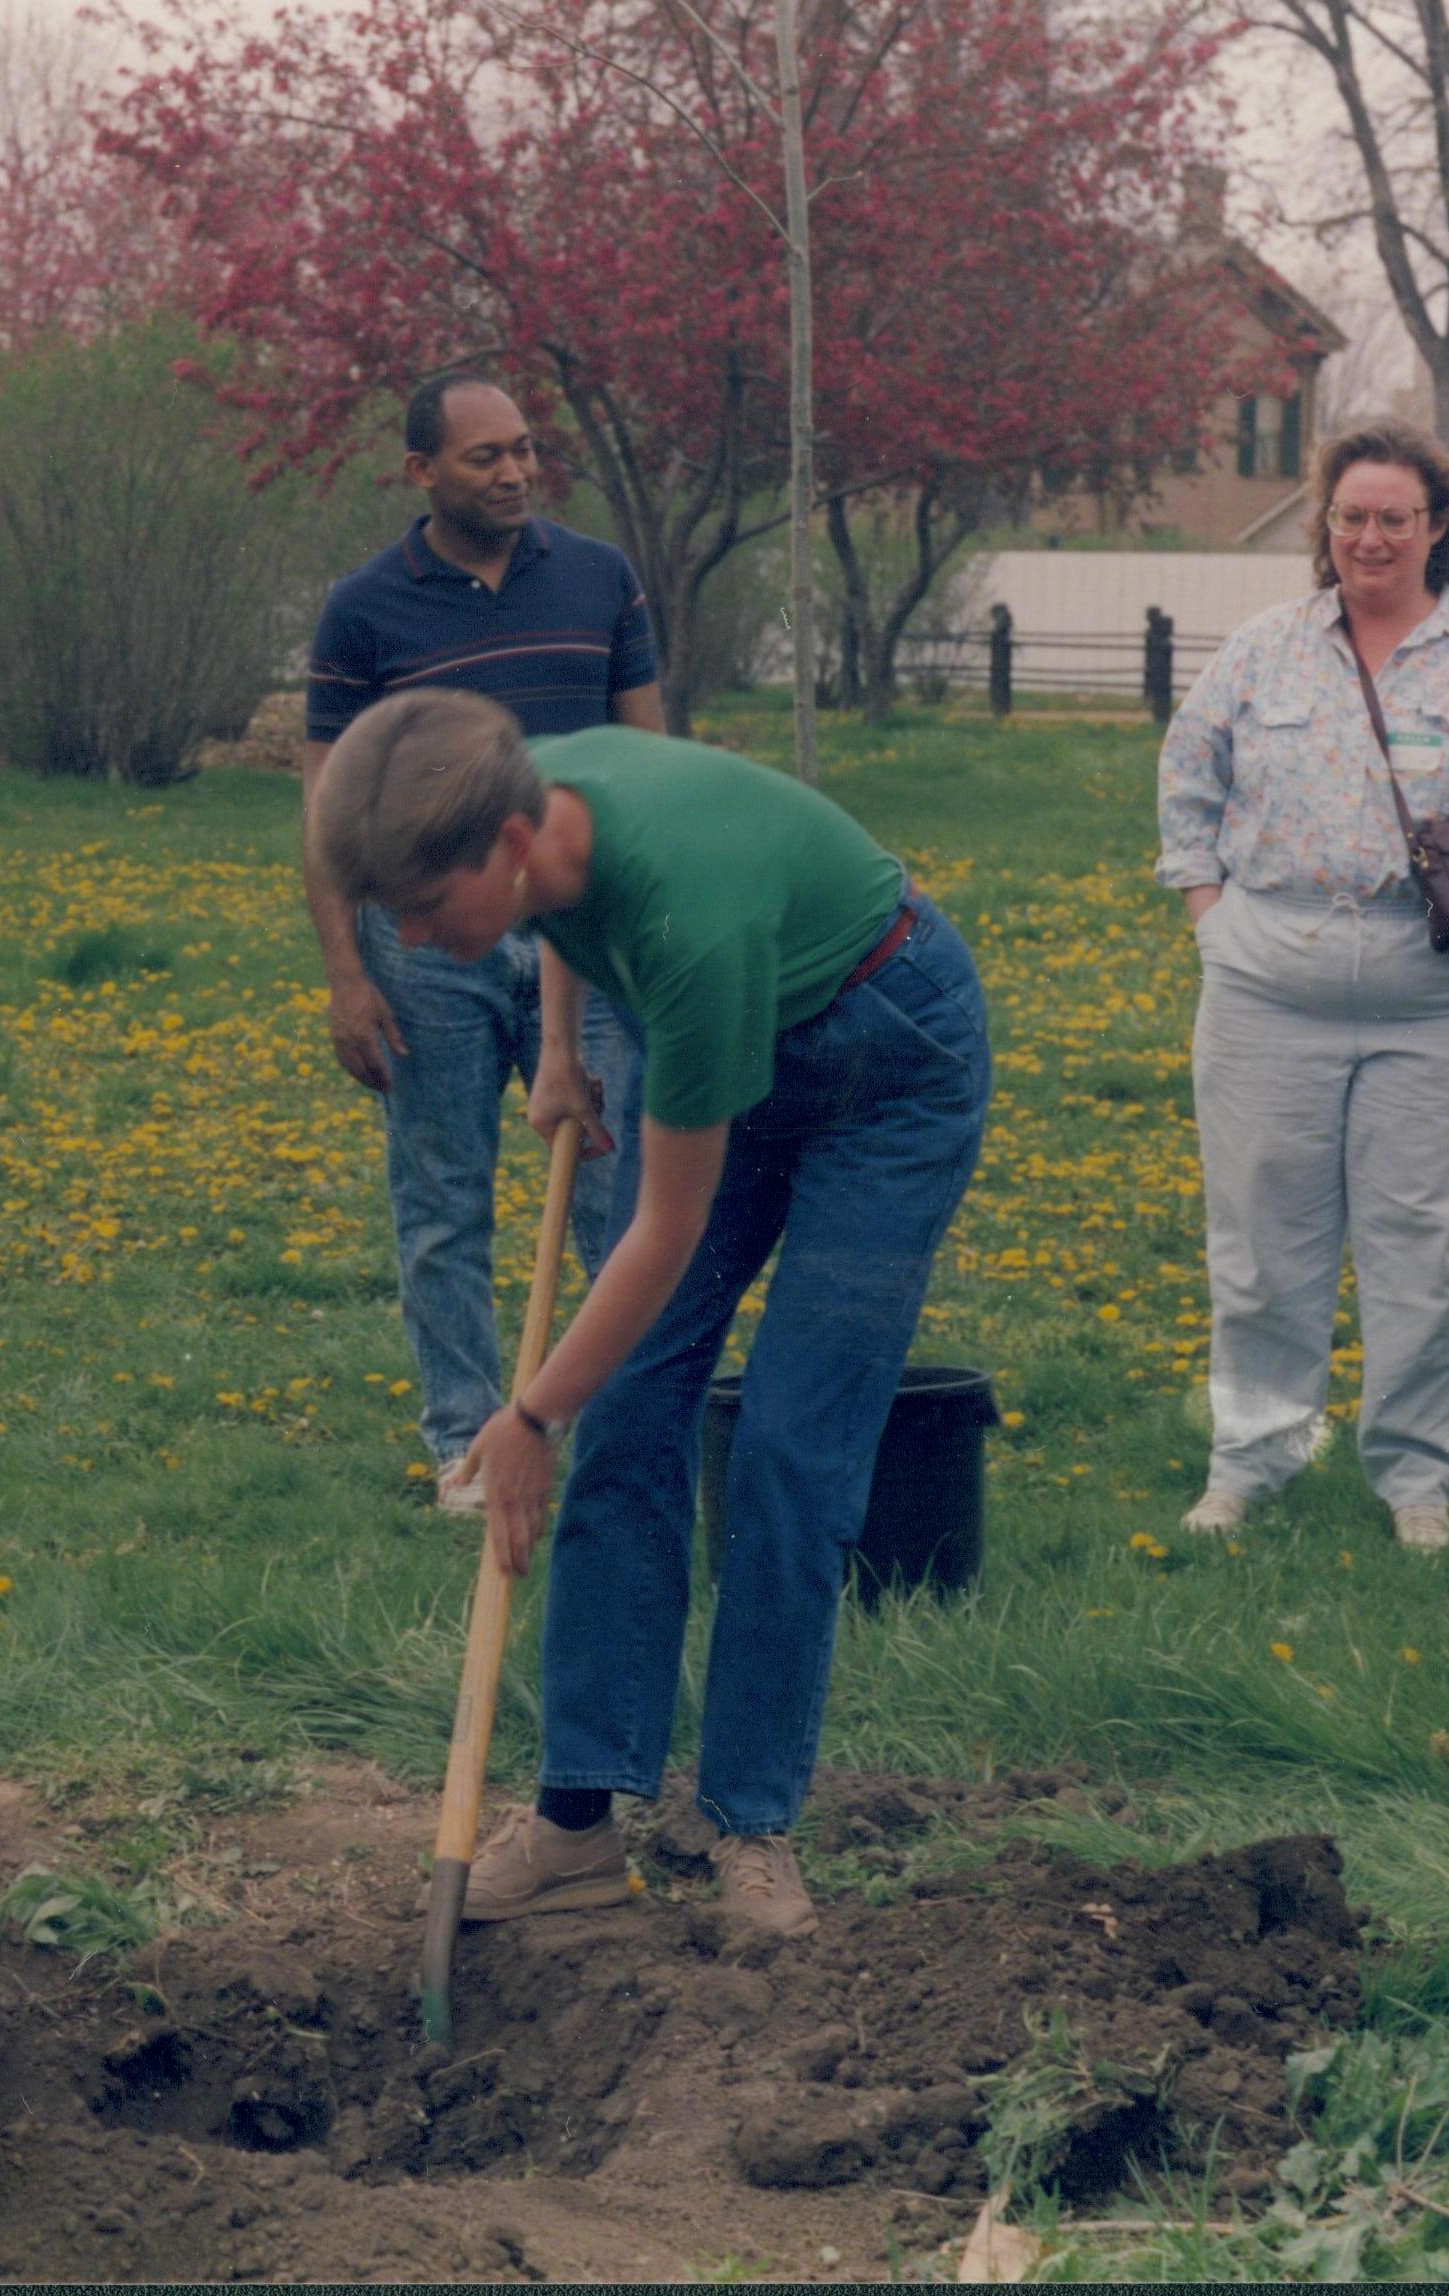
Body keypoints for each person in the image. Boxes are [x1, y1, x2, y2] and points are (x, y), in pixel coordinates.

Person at [311, 689, 987, 1939]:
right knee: (627, 1407)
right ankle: (575, 1827)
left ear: (502, 851)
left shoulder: (690, 918)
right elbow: (569, 908)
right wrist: (558, 1044)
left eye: (418, 909)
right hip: (732, 1028)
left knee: (789, 1442)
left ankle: (751, 1824)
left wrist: (525, 1415)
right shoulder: (530, 785)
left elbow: (664, 1237)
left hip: (887, 1059)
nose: (404, 935)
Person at [1154, 423, 1449, 1554]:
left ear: (1438, 529)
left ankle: (1415, 1479)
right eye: (1349, 518)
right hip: (1271, 977)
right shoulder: (1262, 650)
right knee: (1262, 1237)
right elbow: (1188, 781)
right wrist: (1209, 919)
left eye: (1393, 518)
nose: (1369, 538)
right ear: (1324, 530)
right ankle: (1251, 1461)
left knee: (1423, 1244)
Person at [302, 374, 664, 1513]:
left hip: (587, 934)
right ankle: (465, 1444)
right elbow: (328, 818)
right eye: (481, 458)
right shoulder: (363, 611)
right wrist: (348, 978)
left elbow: (651, 762)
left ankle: (608, 1430)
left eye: (521, 451)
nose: (512, 473)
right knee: (443, 1198)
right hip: (429, 950)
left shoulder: (599, 577)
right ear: (419, 473)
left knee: (618, 1194)